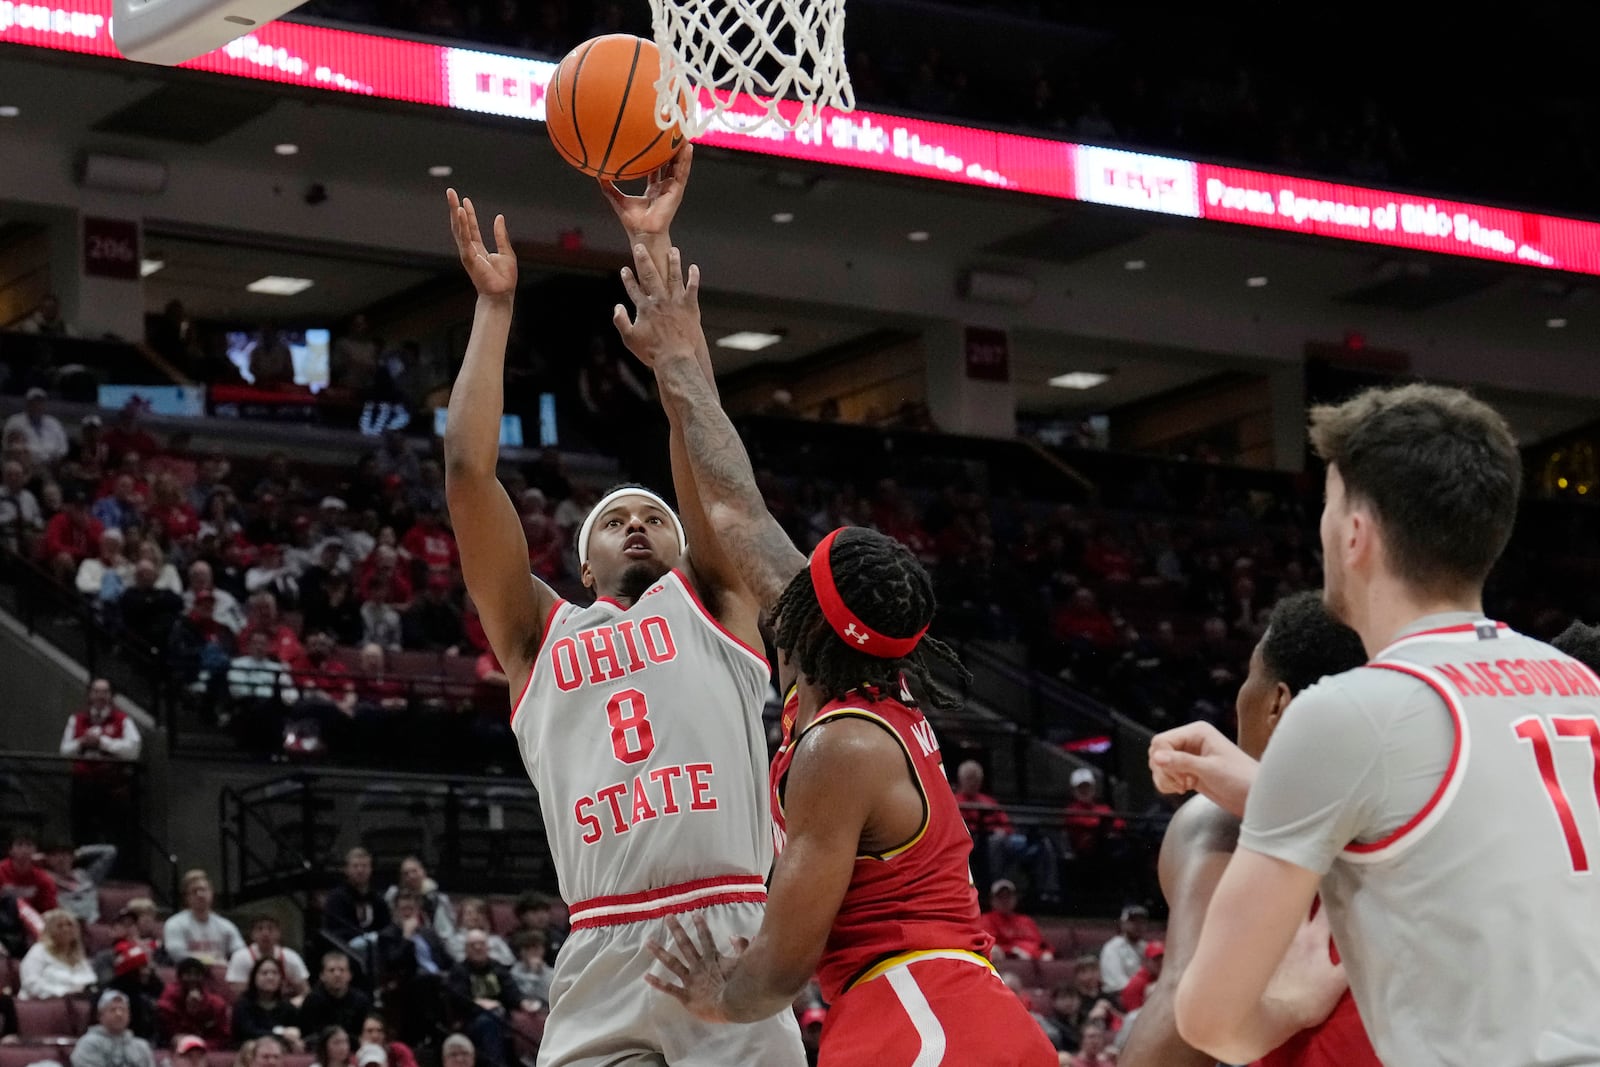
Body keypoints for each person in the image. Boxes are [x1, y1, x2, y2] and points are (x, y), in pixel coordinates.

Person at [614, 227, 1054, 1063]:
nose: (790, 562)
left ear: (810, 614)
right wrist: (679, 353)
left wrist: (716, 994)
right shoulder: (856, 673)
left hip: (923, 1019)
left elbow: (780, 968)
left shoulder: (840, 747)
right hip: (953, 1013)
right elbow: (736, 505)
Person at [442, 155, 802, 1065]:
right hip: (603, 944)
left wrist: (653, 246)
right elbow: (466, 475)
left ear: (686, 547)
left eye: (654, 518)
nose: (638, 524)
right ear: (583, 557)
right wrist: (492, 311)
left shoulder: (715, 605)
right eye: (617, 520)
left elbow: (706, 448)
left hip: (731, 927)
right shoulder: (537, 636)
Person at [1153, 384, 1600, 1065]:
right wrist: (1265, 784)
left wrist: (1291, 1004)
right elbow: (1452, 812)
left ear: (1356, 534)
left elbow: (1210, 1019)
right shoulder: (1578, 683)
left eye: (1329, 507)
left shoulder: (1345, 710)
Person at [1120, 590, 1376, 1067]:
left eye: (1249, 677)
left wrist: (1283, 1007)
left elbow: (1178, 1022)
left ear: (1278, 702)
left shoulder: (1221, 819)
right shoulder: (1413, 811)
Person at [164, 869, 245, 964]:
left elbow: (241, 953)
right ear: (187, 898)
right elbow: (177, 954)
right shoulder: (175, 923)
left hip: (220, 974)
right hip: (189, 974)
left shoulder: (226, 926)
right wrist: (210, 960)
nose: (200, 895)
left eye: (203, 890)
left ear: (211, 893)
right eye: (194, 891)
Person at [227, 915, 311, 998]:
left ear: (279, 933)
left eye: (270, 929)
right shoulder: (241, 957)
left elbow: (305, 991)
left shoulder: (291, 957)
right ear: (252, 934)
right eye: (260, 929)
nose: (265, 933)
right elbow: (237, 994)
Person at [19, 907, 96, 997]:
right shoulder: (39, 951)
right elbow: (30, 983)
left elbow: (91, 979)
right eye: (60, 926)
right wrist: (64, 992)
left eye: (70, 925)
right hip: (41, 1005)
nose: (66, 929)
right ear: (49, 930)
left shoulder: (78, 955)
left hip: (74, 1003)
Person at [71, 990, 156, 1067]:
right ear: (100, 1016)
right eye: (113, 1010)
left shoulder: (141, 1047)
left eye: (122, 1009)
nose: (119, 1014)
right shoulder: (89, 1044)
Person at [232, 955, 303, 1048]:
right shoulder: (243, 1005)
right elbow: (249, 1032)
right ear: (254, 978)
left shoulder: (287, 1007)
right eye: (264, 973)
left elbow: (297, 1031)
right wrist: (282, 1034)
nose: (270, 977)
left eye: (275, 973)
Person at [0, 831, 58, 912]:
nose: (24, 850)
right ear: (11, 850)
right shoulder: (1, 871)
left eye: (29, 845)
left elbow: (50, 910)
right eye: (19, 845)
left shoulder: (43, 879)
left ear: (35, 850)